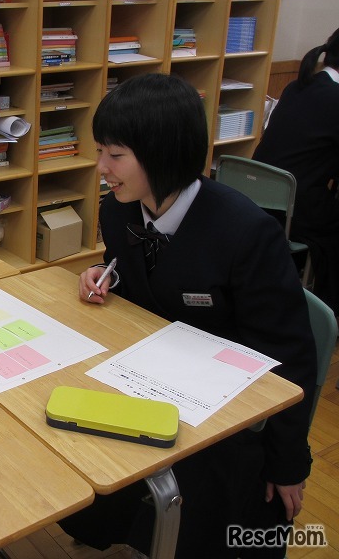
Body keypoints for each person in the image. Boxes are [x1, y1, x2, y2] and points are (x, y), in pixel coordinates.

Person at [62, 74, 317, 558]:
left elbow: (291, 355)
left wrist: (288, 465)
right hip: (153, 376)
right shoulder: (119, 211)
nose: (101, 168)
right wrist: (106, 273)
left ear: (162, 153)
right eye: (101, 152)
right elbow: (149, 281)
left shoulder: (245, 233)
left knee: (207, 504)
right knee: (72, 422)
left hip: (227, 410)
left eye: (114, 156)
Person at [253, 26, 339, 322]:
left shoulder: (297, 86)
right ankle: (328, 313)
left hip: (261, 197)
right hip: (294, 208)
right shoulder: (334, 98)